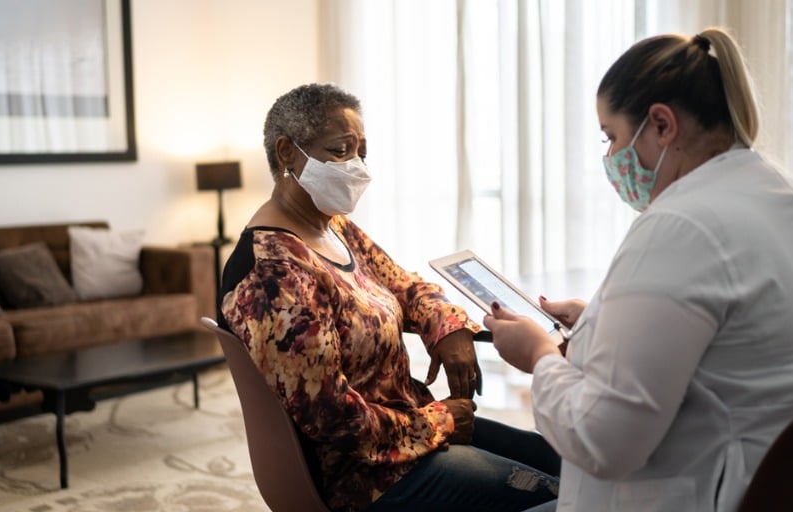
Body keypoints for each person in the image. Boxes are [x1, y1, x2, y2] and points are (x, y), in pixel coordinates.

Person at [484, 28, 793, 512]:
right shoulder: (787, 196)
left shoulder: (678, 224)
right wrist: (601, 325)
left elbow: (602, 441)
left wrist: (541, 356)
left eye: (612, 137)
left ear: (662, 125)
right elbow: (729, 341)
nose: (610, 158)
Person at [217, 83, 559, 512]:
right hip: (364, 476)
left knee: (568, 461)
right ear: (287, 153)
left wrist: (447, 327)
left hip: (408, 434)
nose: (356, 166)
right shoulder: (273, 273)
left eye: (361, 151)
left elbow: (406, 285)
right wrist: (439, 422)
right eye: (341, 151)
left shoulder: (333, 228)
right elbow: (333, 419)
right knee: (563, 495)